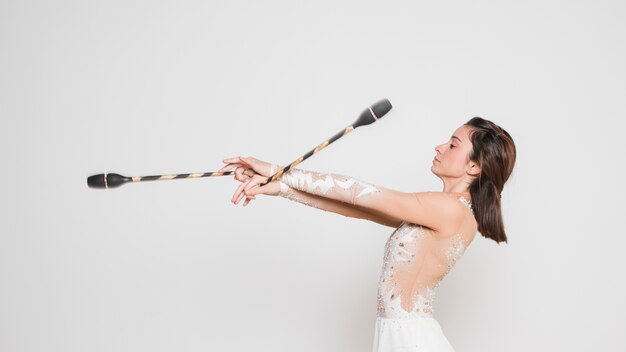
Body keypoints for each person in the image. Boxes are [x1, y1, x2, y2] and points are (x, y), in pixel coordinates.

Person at [218, 117, 516, 352]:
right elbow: (355, 208)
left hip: (410, 340)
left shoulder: (450, 209)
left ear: (475, 166)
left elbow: (362, 194)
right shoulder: (442, 209)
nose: (439, 147)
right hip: (398, 334)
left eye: (453, 145)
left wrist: (277, 170)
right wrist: (281, 188)